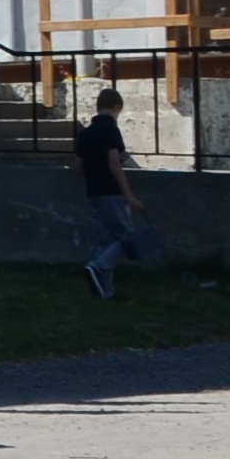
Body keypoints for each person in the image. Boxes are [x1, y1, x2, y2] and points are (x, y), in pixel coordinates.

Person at [73, 83, 164, 299]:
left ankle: (104, 290)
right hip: (112, 191)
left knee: (106, 239)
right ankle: (98, 266)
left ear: (97, 107)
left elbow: (78, 169)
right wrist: (130, 196)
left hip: (93, 191)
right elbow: (114, 163)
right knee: (126, 236)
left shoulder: (85, 133)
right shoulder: (111, 130)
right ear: (116, 108)